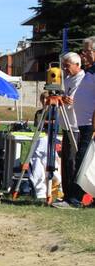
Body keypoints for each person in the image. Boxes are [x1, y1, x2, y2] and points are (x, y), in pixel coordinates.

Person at [57, 63, 95, 208]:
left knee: (83, 160)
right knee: (84, 161)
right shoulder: (88, 72)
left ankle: (75, 199)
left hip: (85, 124)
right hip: (79, 123)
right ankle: (72, 196)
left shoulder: (85, 75)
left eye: (87, 51)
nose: (84, 54)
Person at [56, 52, 84, 205]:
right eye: (63, 66)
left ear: (77, 65)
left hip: (76, 126)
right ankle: (66, 194)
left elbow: (72, 100)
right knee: (66, 161)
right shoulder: (67, 79)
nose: (65, 69)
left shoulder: (82, 79)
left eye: (67, 66)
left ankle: (73, 196)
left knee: (72, 161)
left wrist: (64, 99)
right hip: (66, 125)